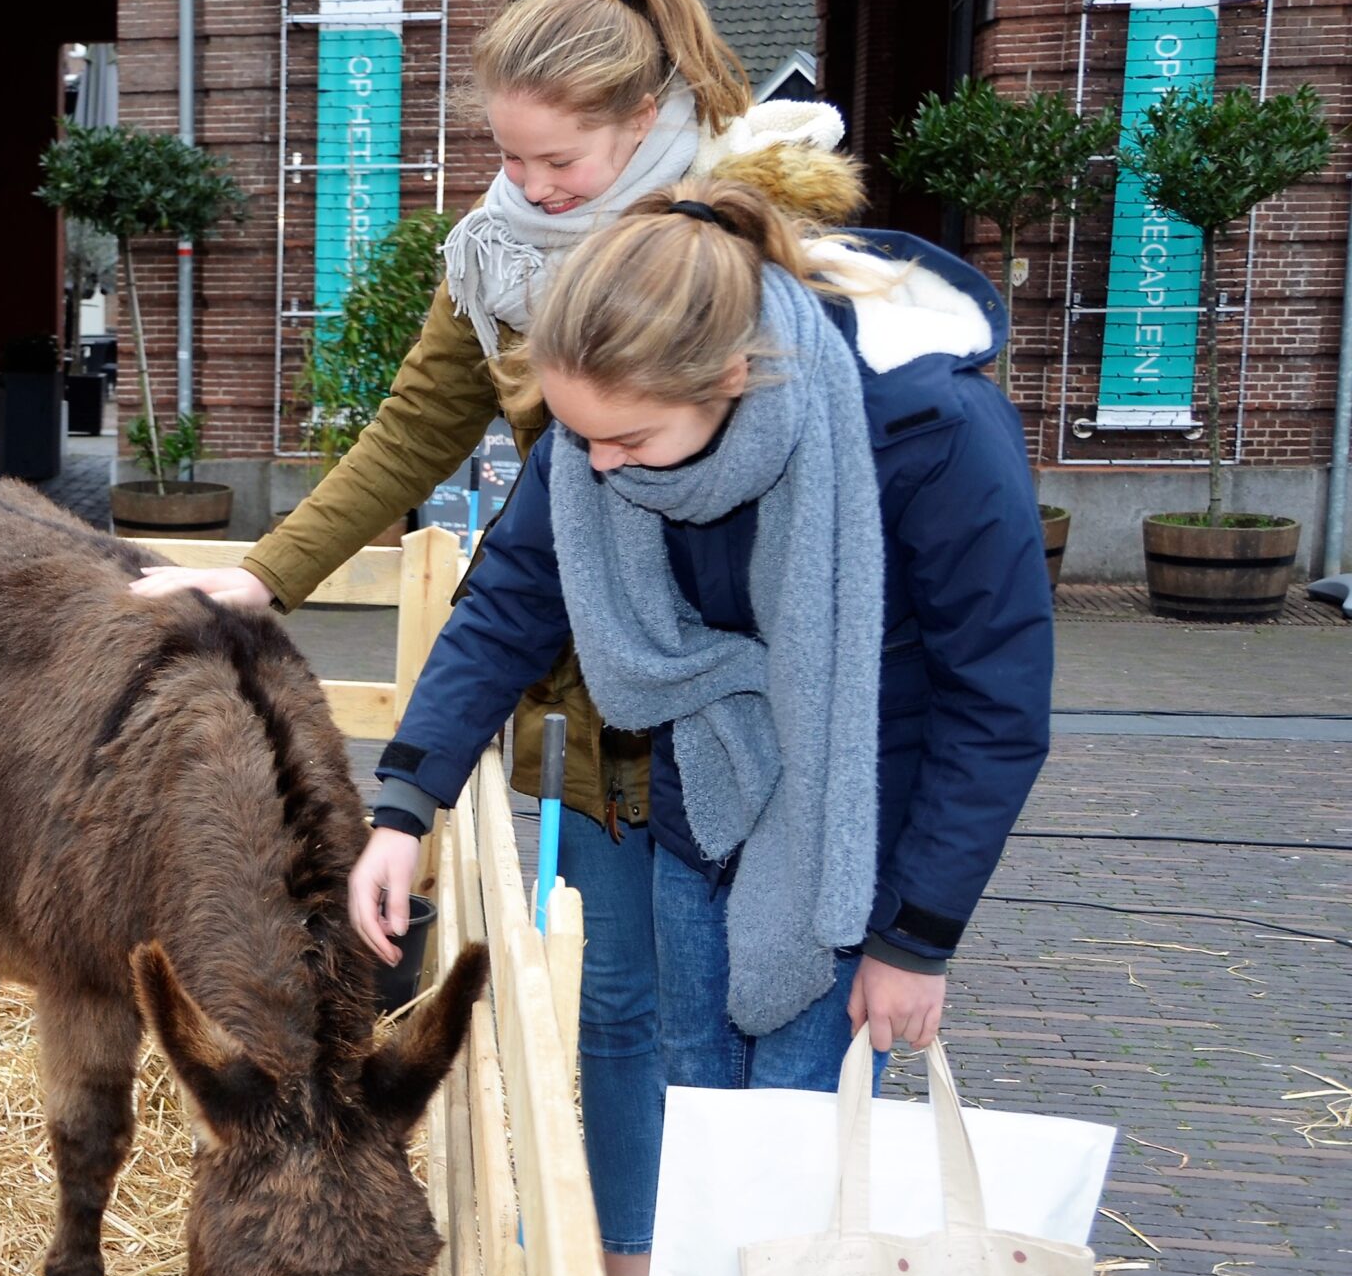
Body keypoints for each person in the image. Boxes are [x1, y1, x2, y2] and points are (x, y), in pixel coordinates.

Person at [133, 0, 861, 1276]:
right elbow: (427, 441)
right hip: (579, 681)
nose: (526, 184)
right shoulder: (497, 255)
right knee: (612, 1004)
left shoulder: (733, 247)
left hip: (745, 705)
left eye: (557, 158)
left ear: (646, 117)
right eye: (505, 154)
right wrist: (269, 572)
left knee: (716, 1011)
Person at [350, 174, 1052, 1191]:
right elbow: (511, 595)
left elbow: (995, 700)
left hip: (857, 845)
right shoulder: (609, 421)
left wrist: (918, 939)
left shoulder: (927, 430)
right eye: (577, 435)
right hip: (706, 796)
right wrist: (403, 804)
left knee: (796, 1134)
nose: (594, 469)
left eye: (626, 441)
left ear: (730, 378)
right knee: (695, 1095)